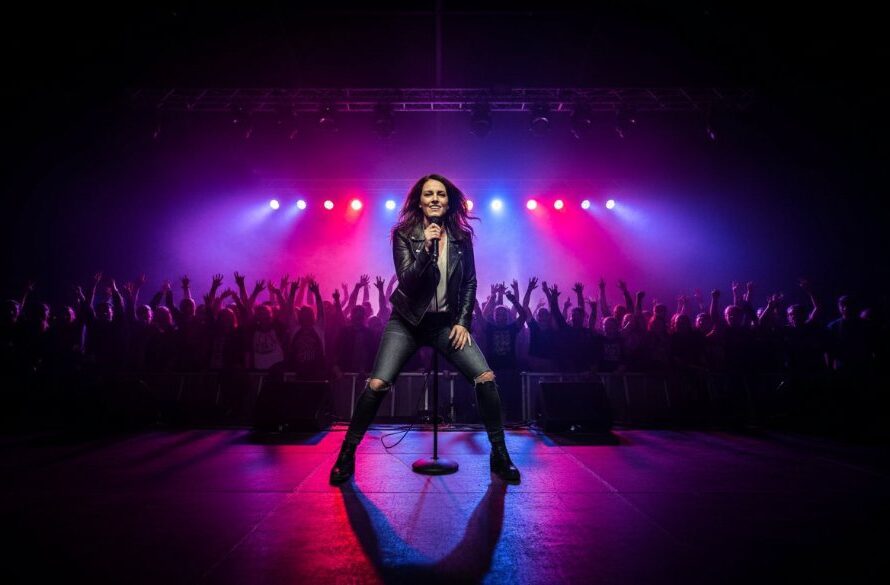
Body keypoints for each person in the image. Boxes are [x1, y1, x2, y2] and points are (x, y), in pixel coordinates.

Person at [330, 173, 520, 484]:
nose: (434, 198)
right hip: (406, 322)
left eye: (440, 194)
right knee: (377, 384)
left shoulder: (461, 238)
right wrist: (427, 247)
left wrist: (462, 322)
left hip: (444, 323)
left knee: (485, 379)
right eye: (428, 193)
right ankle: (347, 453)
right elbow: (408, 281)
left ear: (448, 202)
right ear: (419, 201)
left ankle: (499, 455)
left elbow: (470, 282)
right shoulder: (404, 234)